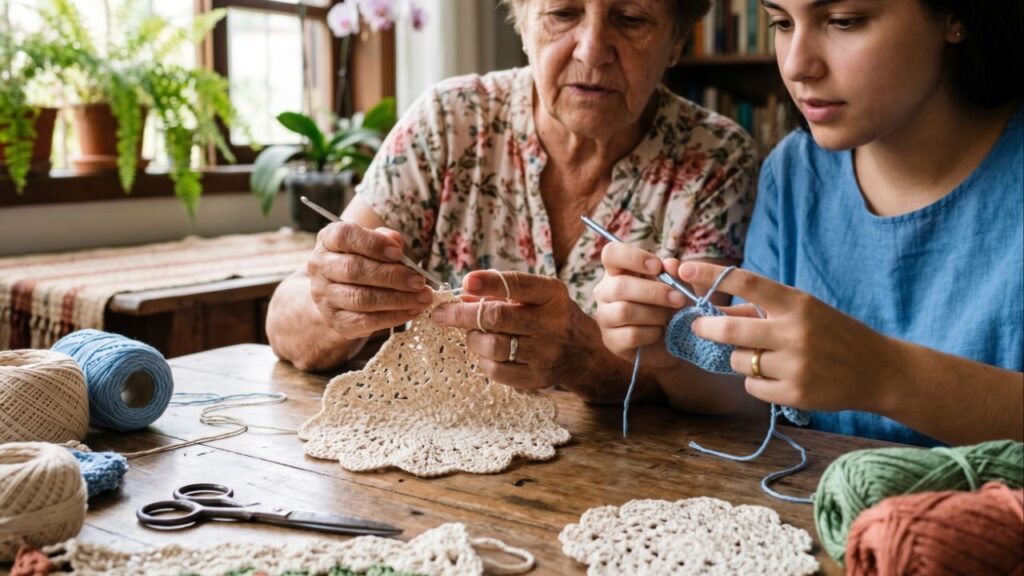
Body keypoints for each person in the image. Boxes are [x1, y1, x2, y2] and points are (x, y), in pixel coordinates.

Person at [267, 0, 758, 401]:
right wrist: (337, 303)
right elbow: (285, 324)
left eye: (631, 19)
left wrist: (580, 355)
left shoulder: (714, 157)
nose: (592, 50)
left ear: (676, 40)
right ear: (522, 20)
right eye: (563, 13)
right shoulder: (450, 122)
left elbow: (705, 375)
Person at [594, 0, 1023, 446]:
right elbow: (757, 400)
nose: (797, 65)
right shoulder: (794, 171)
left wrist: (884, 374)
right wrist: (673, 351)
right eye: (781, 23)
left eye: (844, 22)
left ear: (956, 15)